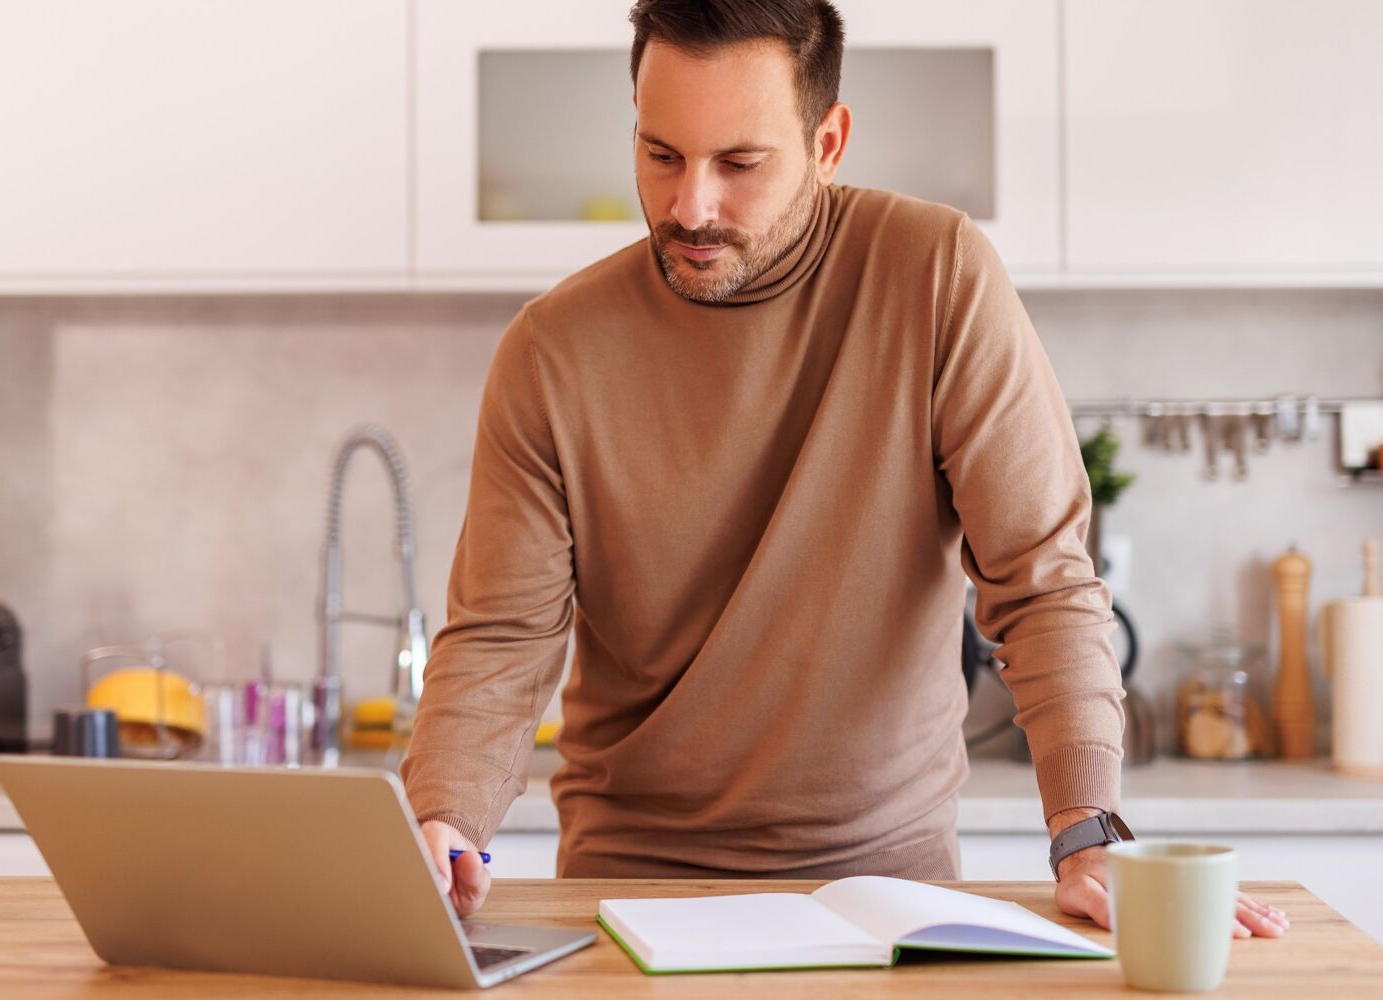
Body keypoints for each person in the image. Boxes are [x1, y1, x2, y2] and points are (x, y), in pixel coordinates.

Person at [401, 0, 1287, 940]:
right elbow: (502, 637)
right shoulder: (553, 350)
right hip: (632, 890)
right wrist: (445, 814)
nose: (691, 207)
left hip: (889, 890)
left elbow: (1041, 579)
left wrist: (1088, 829)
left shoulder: (936, 275)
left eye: (739, 163)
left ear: (827, 144)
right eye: (661, 155)